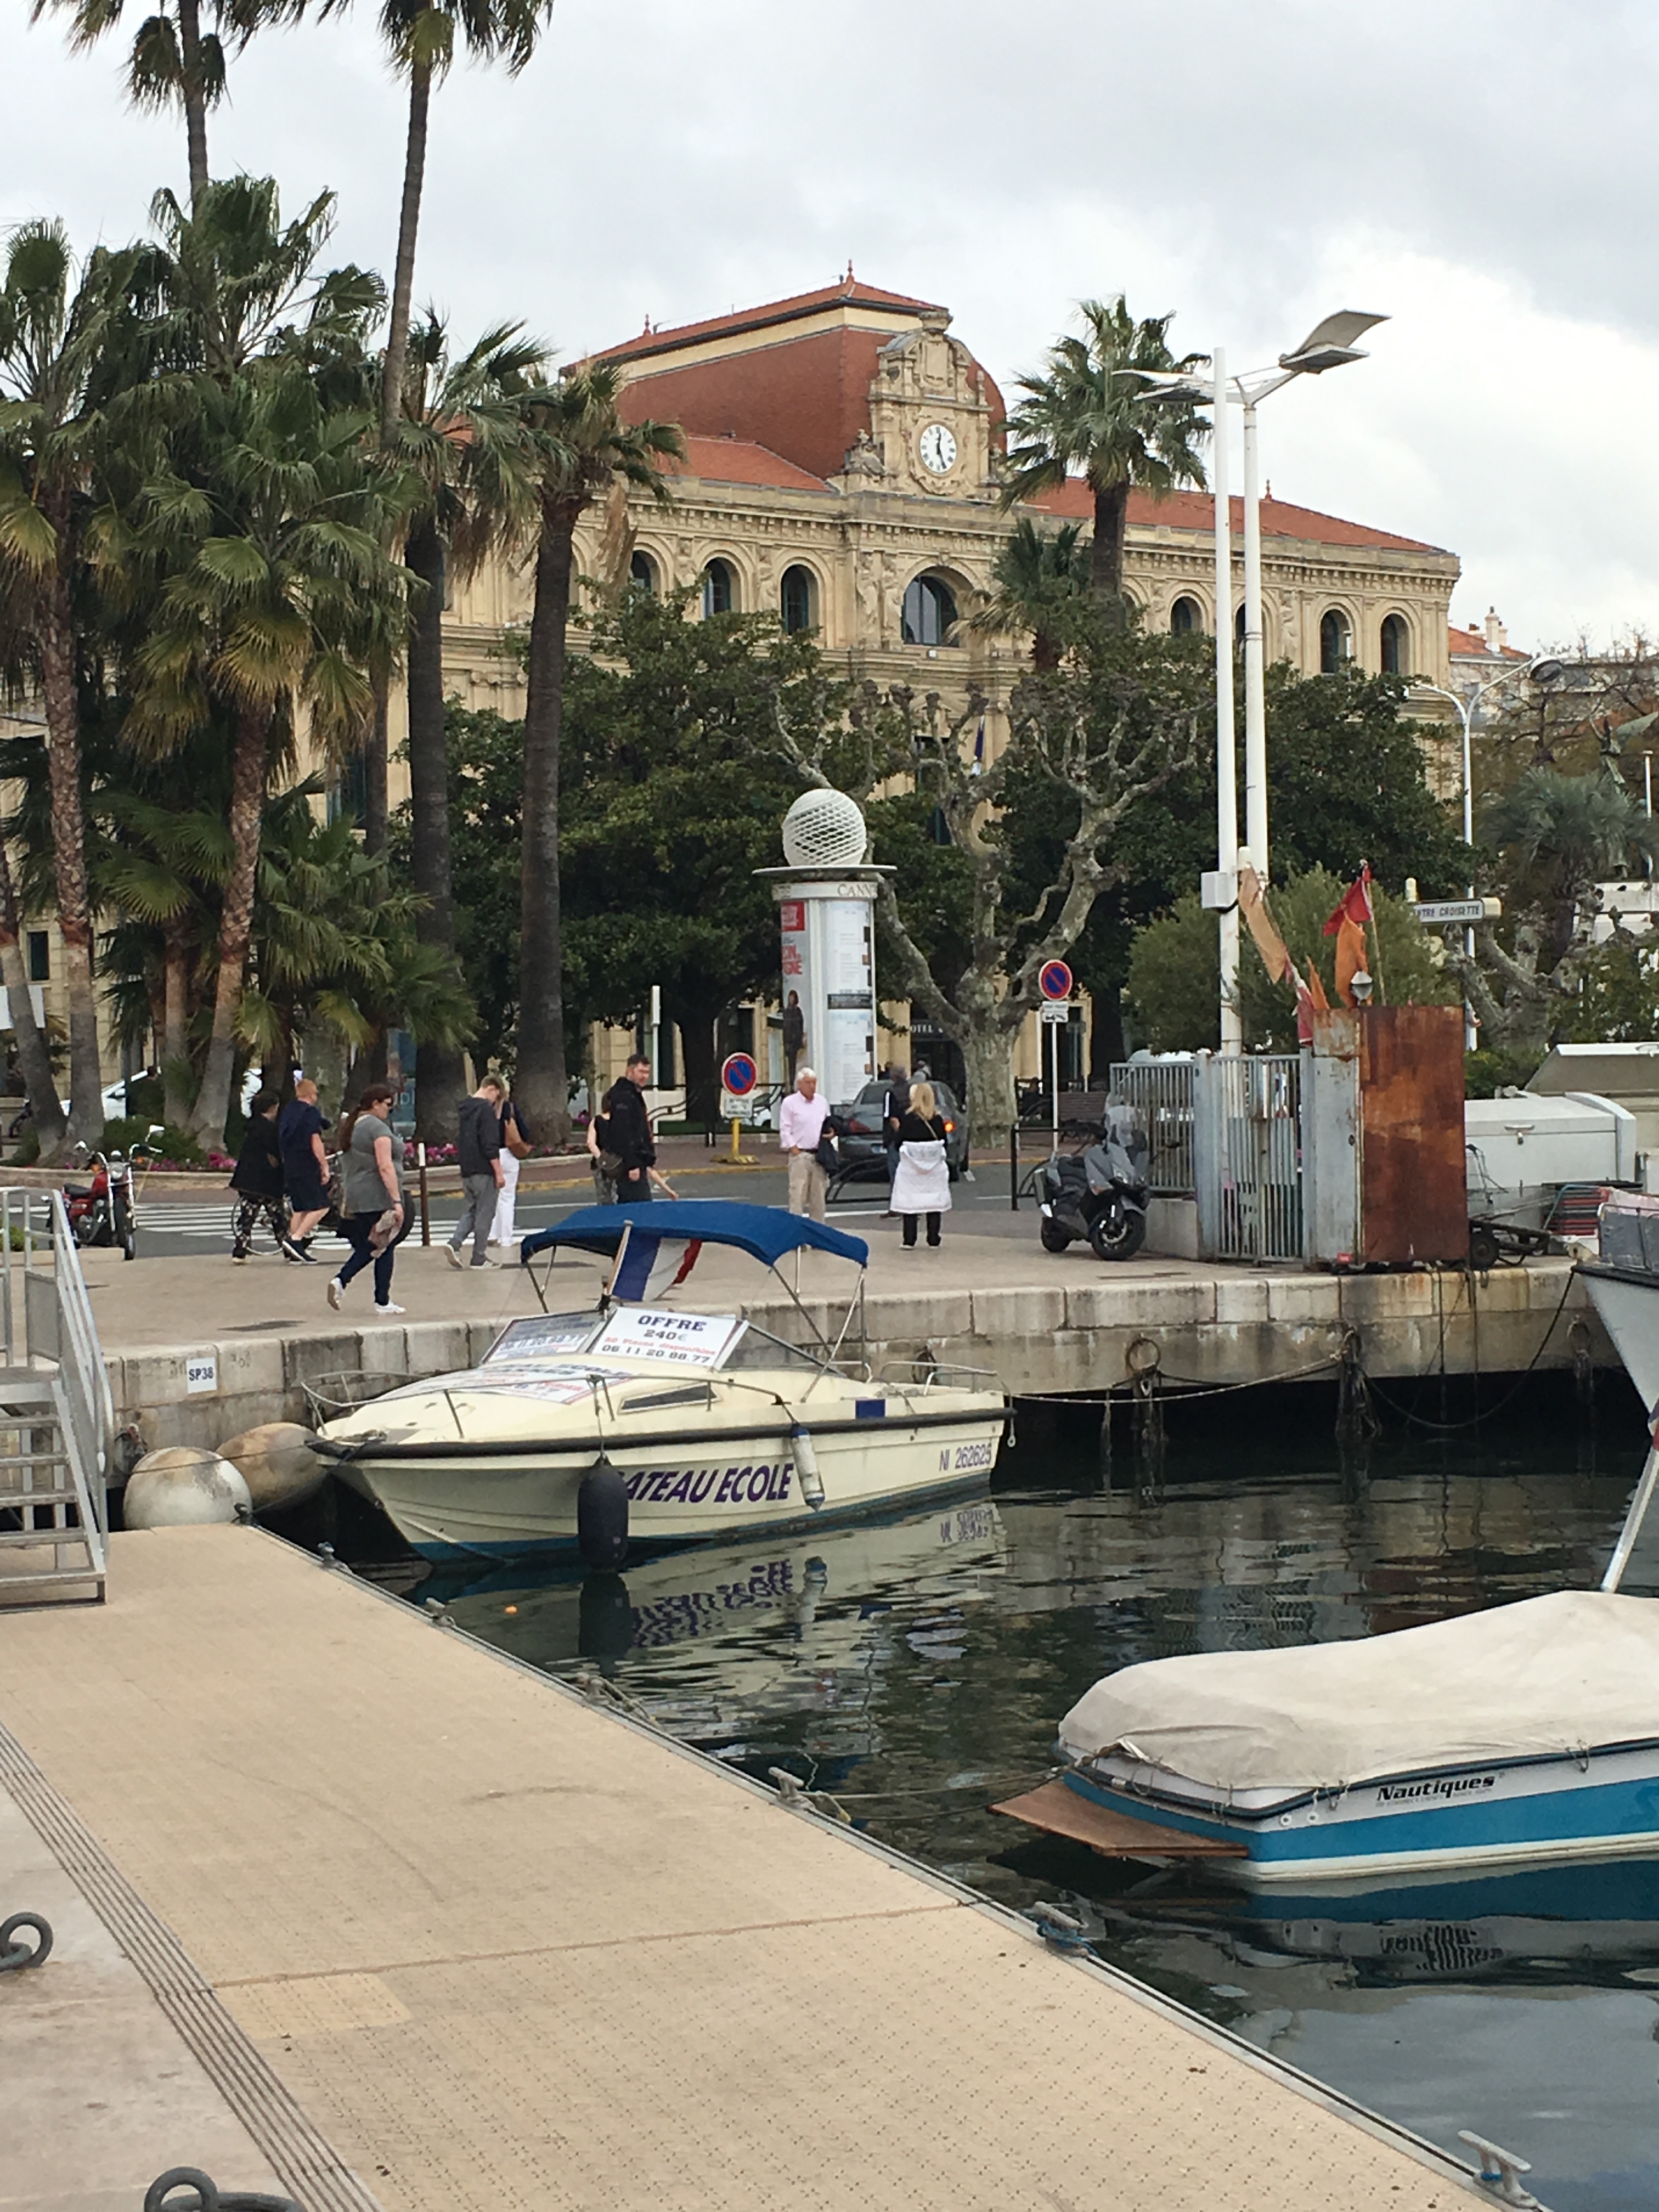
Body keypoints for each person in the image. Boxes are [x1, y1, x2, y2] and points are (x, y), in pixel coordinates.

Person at [325, 1081, 406, 1315]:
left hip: (356, 1193)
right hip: (377, 1194)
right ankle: (375, 1297)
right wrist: (396, 1201)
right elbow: (385, 1165)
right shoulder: (376, 1128)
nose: (389, 1110)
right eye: (388, 1105)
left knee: (370, 1244)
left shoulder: (352, 1125)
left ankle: (344, 1282)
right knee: (383, 1245)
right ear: (375, 1104)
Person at [446, 1075, 506, 1268]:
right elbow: (490, 1143)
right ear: (492, 1089)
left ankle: (455, 1242)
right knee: (485, 1213)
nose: (495, 1102)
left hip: (467, 1168)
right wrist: (499, 1172)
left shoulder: (465, 1109)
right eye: (497, 1097)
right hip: (484, 1168)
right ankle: (479, 1257)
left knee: (473, 1209)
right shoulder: (485, 1110)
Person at [228, 1090, 287, 1262]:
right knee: (277, 1215)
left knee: (247, 1216)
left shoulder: (251, 1126)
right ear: (273, 1107)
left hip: (247, 1178)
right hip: (267, 1179)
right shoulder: (271, 1129)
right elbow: (277, 1153)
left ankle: (240, 1249)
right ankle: (287, 1248)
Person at [891, 1077, 950, 1251]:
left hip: (911, 1170)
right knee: (934, 1203)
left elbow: (898, 1143)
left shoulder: (909, 1119)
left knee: (911, 1203)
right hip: (934, 1170)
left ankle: (909, 1239)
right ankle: (934, 1238)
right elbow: (944, 1143)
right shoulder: (937, 1120)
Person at [277, 1076, 330, 1262]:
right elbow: (315, 1140)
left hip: (291, 1164)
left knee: (300, 1208)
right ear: (311, 1094)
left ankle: (293, 1248)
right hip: (307, 1163)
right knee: (321, 1206)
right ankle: (296, 1240)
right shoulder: (311, 1113)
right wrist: (324, 1165)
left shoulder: (289, 1111)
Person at [600, 1053, 657, 1207]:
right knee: (640, 1207)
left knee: (631, 1206)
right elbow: (622, 1132)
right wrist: (632, 1164)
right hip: (629, 1164)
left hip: (637, 1161)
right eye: (641, 1072)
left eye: (647, 1072)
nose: (645, 1077)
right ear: (630, 1071)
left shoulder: (632, 1094)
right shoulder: (624, 1096)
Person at [778, 1066, 831, 1221]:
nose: (812, 1086)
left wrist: (831, 1136)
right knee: (797, 1196)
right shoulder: (790, 1103)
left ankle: (818, 1231)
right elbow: (785, 1129)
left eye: (814, 1082)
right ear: (800, 1084)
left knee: (818, 1198)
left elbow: (828, 1123)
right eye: (808, 1083)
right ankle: (796, 1231)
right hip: (800, 1154)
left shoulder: (821, 1102)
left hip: (818, 1155)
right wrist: (794, 1149)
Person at [492, 1082, 531, 1249]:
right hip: (509, 1154)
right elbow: (525, 1132)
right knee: (507, 1198)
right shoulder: (511, 1109)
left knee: (491, 1197)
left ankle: (492, 1234)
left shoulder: (485, 1110)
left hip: (490, 1155)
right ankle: (506, 1239)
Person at [882, 1062, 911, 1211]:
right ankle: (911, 1206)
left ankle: (897, 1207)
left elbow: (892, 1118)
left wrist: (900, 1135)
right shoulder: (912, 1090)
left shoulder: (890, 1093)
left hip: (895, 1138)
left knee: (896, 1172)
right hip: (911, 1137)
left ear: (893, 1076)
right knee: (909, 1173)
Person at [781, 991, 805, 1081]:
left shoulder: (798, 1011)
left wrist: (800, 1038)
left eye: (793, 998)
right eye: (790, 998)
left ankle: (793, 1080)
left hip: (796, 1040)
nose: (791, 1000)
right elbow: (785, 1026)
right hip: (788, 1040)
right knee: (790, 1063)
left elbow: (800, 1025)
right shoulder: (786, 1011)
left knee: (794, 1062)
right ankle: (791, 1081)